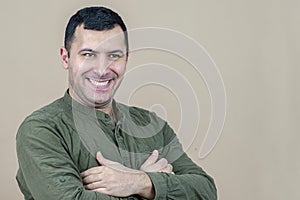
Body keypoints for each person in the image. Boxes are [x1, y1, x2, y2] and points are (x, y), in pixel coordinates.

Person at [16, 6, 217, 200]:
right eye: (88, 54)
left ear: (126, 59)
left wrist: (140, 182)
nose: (102, 70)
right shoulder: (41, 130)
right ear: (65, 58)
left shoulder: (152, 125)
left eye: (114, 55)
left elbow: (206, 191)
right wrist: (153, 189)